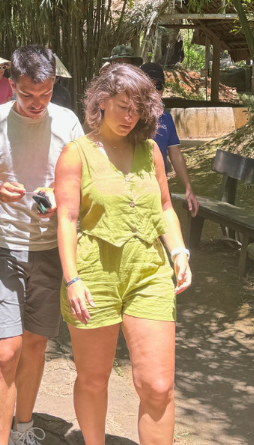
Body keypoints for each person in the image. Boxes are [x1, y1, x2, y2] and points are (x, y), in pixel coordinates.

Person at [54, 63, 192, 445]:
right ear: (101, 102)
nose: (130, 117)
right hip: (93, 273)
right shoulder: (76, 153)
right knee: (94, 378)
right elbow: (66, 218)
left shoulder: (151, 150)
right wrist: (72, 278)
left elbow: (165, 207)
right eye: (122, 106)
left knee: (158, 386)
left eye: (137, 109)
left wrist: (179, 251)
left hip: (148, 271)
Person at [0, 45, 84, 445]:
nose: (36, 103)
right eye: (27, 94)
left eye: (45, 94)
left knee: (34, 345)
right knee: (6, 351)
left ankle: (24, 429)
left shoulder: (67, 122)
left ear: (54, 84)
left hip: (50, 248)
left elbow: (82, 180)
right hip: (2, 245)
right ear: (11, 84)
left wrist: (58, 195)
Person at [140, 63, 199, 217]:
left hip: (159, 188)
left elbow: (175, 154)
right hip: (133, 188)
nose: (153, 91)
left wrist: (188, 187)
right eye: (147, 85)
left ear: (163, 89)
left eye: (158, 86)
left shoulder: (166, 118)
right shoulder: (128, 117)